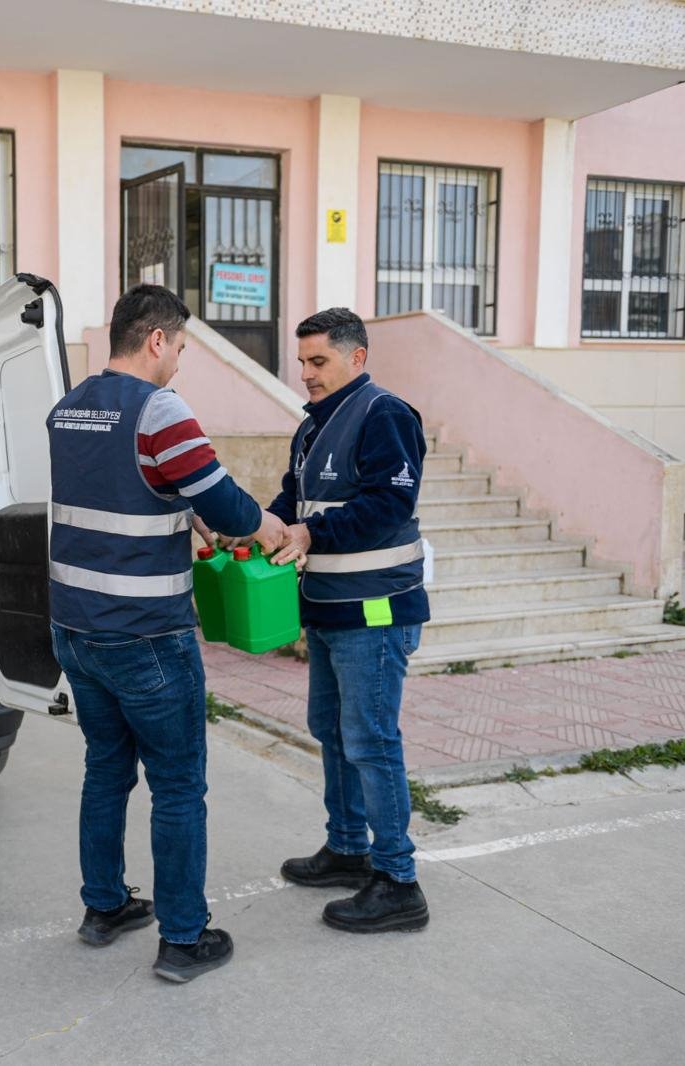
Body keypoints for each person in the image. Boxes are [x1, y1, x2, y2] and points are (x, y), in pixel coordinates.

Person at [47, 284, 285, 982]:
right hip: (147, 633)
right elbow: (223, 499)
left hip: (77, 628)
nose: (180, 361)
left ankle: (105, 907)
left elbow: (123, 489)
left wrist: (183, 514)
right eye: (180, 347)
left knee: (106, 768)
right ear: (157, 339)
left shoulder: (68, 408)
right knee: (178, 785)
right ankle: (183, 938)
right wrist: (260, 524)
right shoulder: (160, 409)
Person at [264, 307, 431, 933]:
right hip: (329, 607)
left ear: (356, 357)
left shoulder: (384, 413)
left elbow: (390, 504)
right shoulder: (312, 426)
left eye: (318, 361)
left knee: (370, 738)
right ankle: (348, 847)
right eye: (302, 361)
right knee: (331, 728)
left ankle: (397, 880)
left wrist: (309, 533)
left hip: (375, 610)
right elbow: (294, 495)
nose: (304, 373)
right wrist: (267, 527)